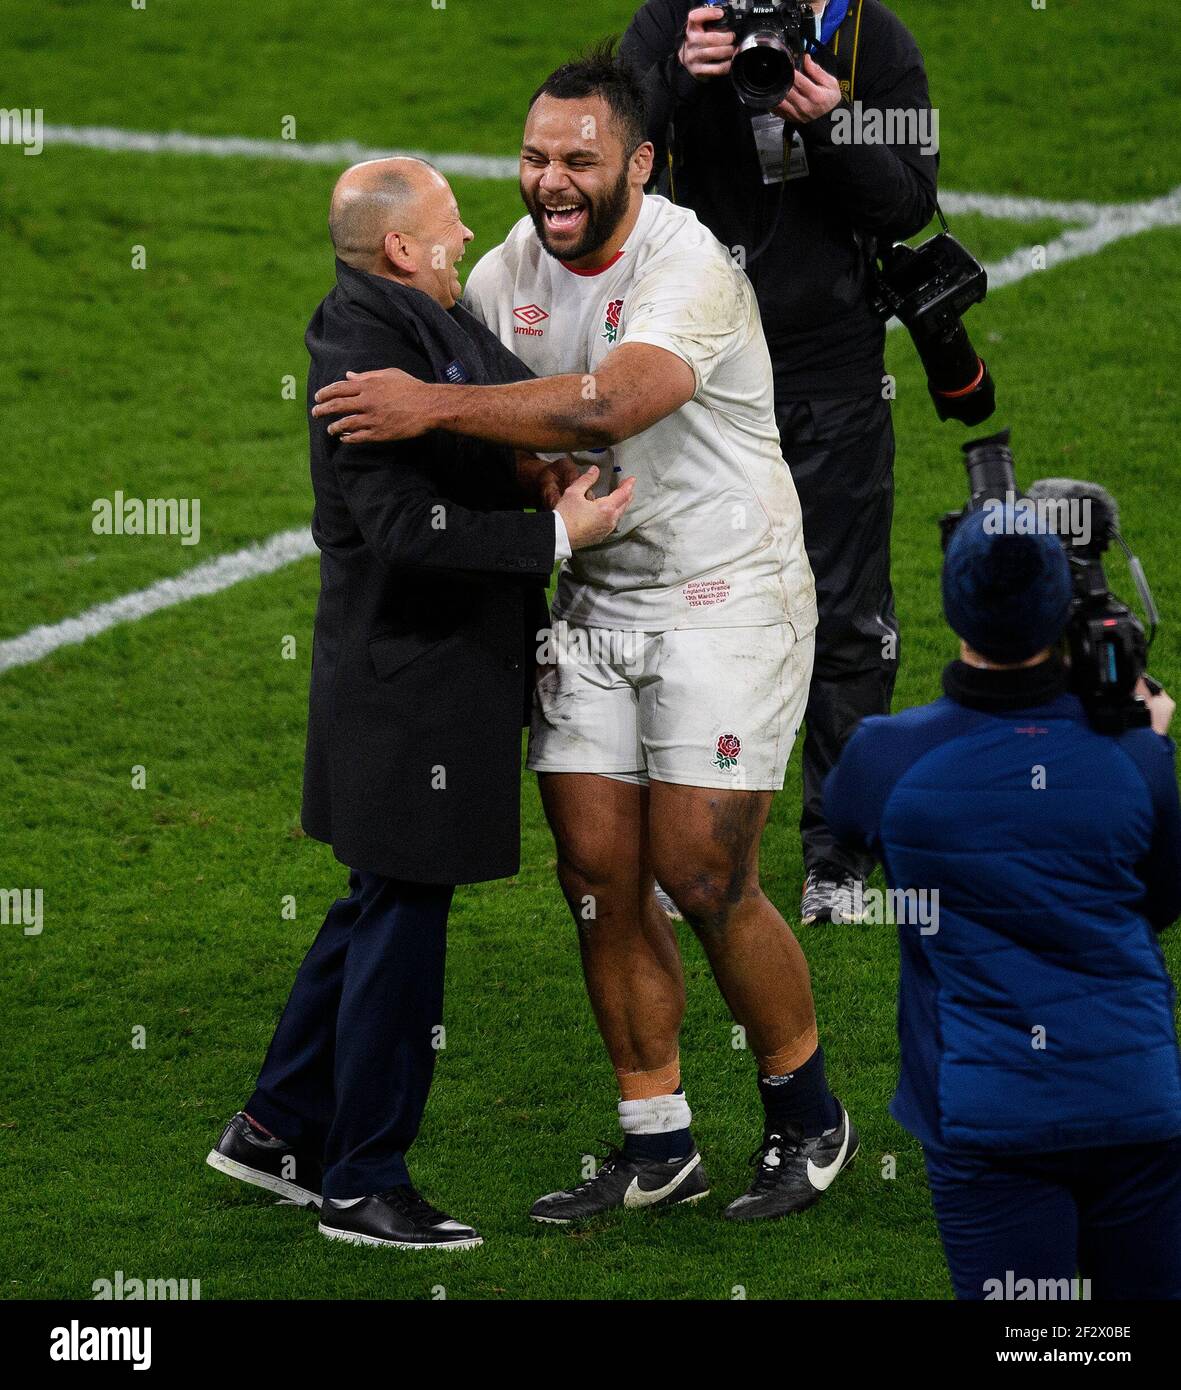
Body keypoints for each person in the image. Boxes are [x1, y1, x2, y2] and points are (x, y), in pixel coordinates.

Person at [312, 46, 859, 1225]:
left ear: (638, 164)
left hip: (727, 590)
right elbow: (492, 412)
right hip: (595, 594)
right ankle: (654, 1140)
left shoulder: (686, 265)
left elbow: (612, 399)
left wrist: (431, 406)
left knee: (700, 872)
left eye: (577, 161)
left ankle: (806, 1111)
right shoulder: (510, 267)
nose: (549, 182)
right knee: (599, 879)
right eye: (532, 158)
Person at [207, 157, 631, 1251]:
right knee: (403, 923)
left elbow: (490, 400)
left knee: (376, 902)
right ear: (402, 248)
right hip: (410, 683)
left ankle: (274, 1131)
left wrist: (535, 463)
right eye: (450, 225)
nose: (466, 237)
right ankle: (363, 1183)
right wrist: (554, 536)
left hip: (423, 676)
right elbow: (403, 531)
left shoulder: (418, 318)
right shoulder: (359, 350)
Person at [621, 1, 939, 923]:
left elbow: (910, 201)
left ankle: (836, 854)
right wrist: (676, 77)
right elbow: (604, 160)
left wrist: (830, 124)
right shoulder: (677, 21)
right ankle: (698, 843)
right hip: (700, 368)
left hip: (827, 371)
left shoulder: (869, 40)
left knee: (843, 615)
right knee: (692, 602)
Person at [823, 506, 1181, 1299]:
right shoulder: (1135, 757)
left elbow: (847, 815)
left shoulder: (886, 755)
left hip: (986, 1111)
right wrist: (1144, 731)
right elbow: (1154, 902)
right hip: (1134, 1098)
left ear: (949, 607)